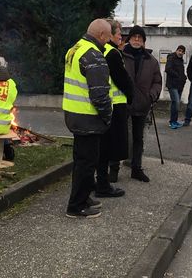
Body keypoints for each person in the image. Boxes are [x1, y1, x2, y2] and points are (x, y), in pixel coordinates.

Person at [64, 19, 113, 218]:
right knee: (87, 163)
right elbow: (100, 95)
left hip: (73, 114)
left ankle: (83, 196)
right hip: (88, 118)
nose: (109, 41)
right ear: (101, 35)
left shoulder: (74, 49)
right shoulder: (94, 55)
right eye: (108, 36)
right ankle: (76, 206)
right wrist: (107, 116)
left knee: (80, 161)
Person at [96, 19, 133, 192]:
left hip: (103, 104)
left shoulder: (99, 50)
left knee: (102, 146)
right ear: (110, 34)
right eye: (119, 33)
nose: (121, 37)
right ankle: (104, 183)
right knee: (109, 147)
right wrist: (132, 95)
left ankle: (101, 180)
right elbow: (122, 80)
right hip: (115, 105)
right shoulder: (112, 53)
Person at [121, 25, 162, 182]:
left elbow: (157, 82)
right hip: (122, 104)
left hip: (142, 104)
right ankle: (113, 167)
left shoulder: (151, 61)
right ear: (129, 39)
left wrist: (151, 96)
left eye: (140, 38)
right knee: (119, 136)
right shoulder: (120, 56)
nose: (137, 40)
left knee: (139, 138)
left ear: (144, 41)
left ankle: (136, 168)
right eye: (134, 37)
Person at [165, 45, 187, 129]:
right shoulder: (171, 58)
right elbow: (168, 69)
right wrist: (178, 75)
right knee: (176, 102)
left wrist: (184, 78)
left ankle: (174, 121)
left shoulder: (180, 60)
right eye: (179, 50)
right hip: (172, 84)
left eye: (182, 52)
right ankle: (172, 122)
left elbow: (181, 71)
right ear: (177, 50)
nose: (180, 53)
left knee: (175, 103)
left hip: (179, 85)